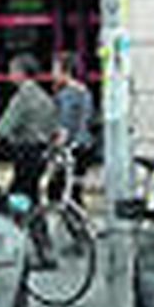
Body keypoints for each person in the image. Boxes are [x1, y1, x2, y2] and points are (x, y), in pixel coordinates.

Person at [0, 53, 58, 201]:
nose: (10, 75)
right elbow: (53, 127)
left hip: (26, 152)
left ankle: (22, 223)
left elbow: (4, 126)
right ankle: (37, 223)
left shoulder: (23, 97)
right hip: (41, 152)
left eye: (11, 71)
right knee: (32, 195)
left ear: (21, 73)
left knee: (16, 195)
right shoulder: (44, 96)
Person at [50, 50, 95, 204]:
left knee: (56, 190)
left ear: (66, 71)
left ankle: (69, 225)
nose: (52, 74)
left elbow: (65, 126)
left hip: (72, 149)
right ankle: (79, 225)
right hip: (85, 147)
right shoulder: (85, 91)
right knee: (75, 191)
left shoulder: (67, 94)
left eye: (55, 69)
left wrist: (54, 150)